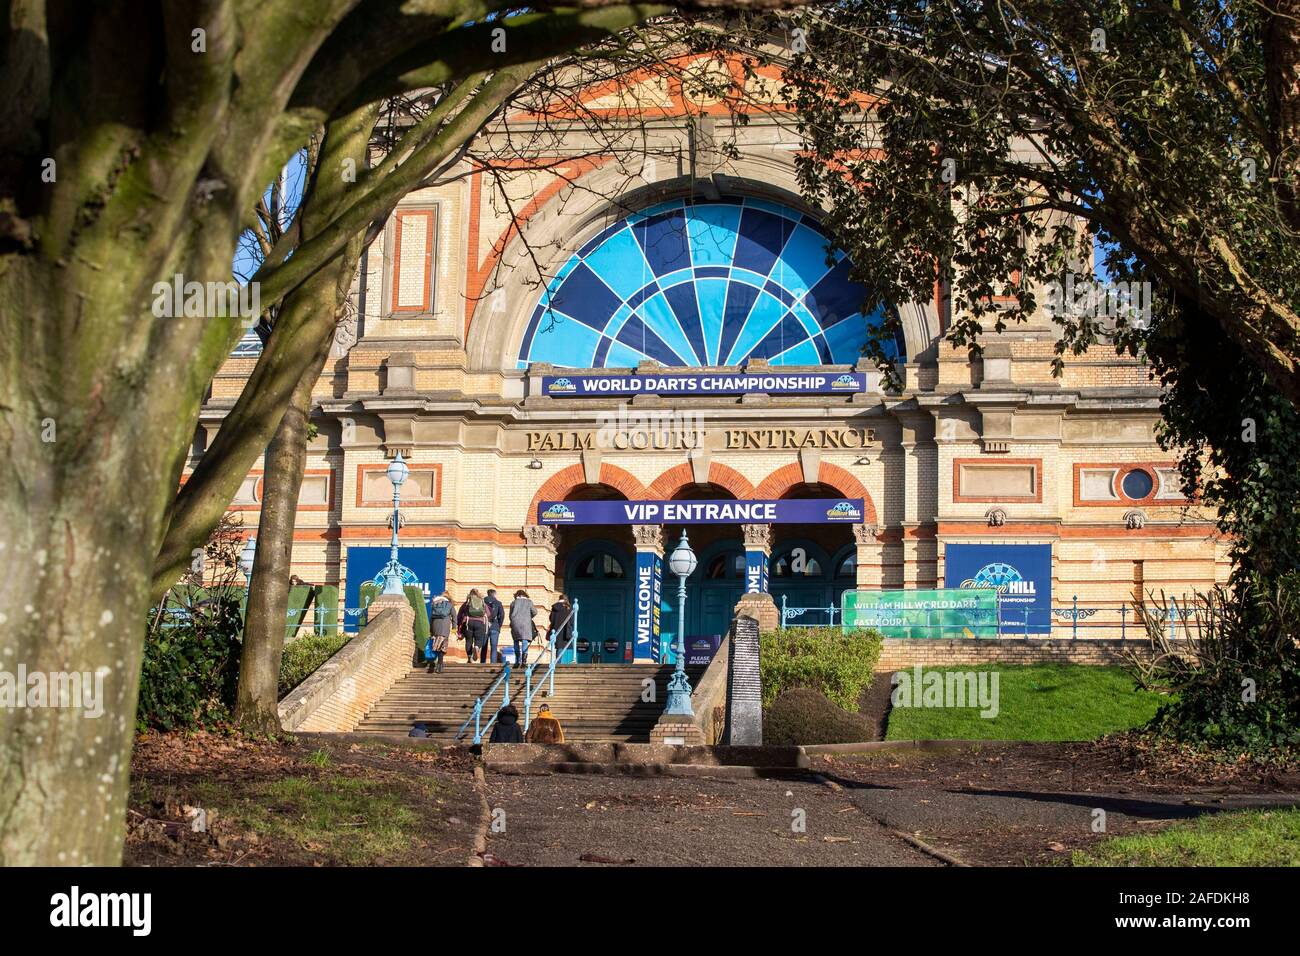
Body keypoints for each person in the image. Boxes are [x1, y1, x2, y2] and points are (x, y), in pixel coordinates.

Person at [508, 589, 537, 667]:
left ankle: (517, 661)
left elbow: (510, 615)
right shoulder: (529, 602)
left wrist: (514, 620)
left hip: (515, 622)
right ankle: (524, 660)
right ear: (525, 595)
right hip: (526, 623)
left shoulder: (513, 603)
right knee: (525, 640)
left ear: (516, 595)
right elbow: (535, 612)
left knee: (516, 640)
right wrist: (528, 616)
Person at [460, 588, 489, 663]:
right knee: (478, 640)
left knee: (468, 641)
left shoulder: (467, 603)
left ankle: (470, 658)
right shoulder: (482, 602)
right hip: (480, 623)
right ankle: (476, 647)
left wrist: (459, 626)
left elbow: (460, 615)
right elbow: (488, 614)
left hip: (468, 623)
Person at [428, 590, 453, 673]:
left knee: (435, 645)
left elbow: (431, 618)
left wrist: (431, 629)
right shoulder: (449, 605)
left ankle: (433, 663)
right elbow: (455, 617)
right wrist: (454, 628)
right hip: (445, 627)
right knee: (442, 646)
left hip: (435, 626)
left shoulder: (435, 604)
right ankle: (440, 664)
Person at [484, 588, 505, 664]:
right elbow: (502, 615)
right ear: (494, 594)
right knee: (494, 647)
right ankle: (493, 664)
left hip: (484, 626)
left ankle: (482, 663)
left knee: (484, 646)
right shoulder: (498, 603)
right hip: (495, 626)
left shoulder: (483, 601)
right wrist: (499, 625)